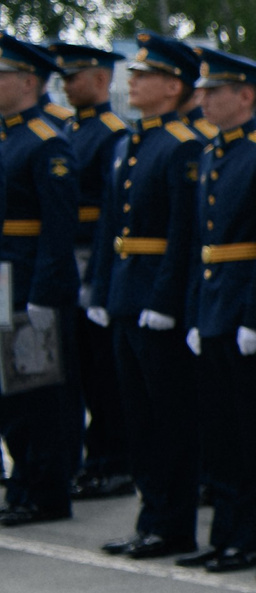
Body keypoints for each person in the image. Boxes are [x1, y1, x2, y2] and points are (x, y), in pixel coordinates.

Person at [87, 33, 203, 560]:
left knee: (168, 416)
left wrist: (164, 299)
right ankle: (150, 516)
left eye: (143, 75)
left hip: (157, 299)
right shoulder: (129, 144)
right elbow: (110, 226)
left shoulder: (183, 146)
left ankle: (172, 522)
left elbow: (183, 233)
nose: (130, 82)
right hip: (124, 293)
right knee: (136, 414)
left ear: (173, 86)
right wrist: (101, 287)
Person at [176, 50, 256, 574]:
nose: (200, 99)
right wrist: (197, 312)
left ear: (245, 96)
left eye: (212, 91)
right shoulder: (211, 152)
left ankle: (253, 537)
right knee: (218, 430)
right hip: (213, 302)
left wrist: (255, 316)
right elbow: (203, 240)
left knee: (251, 433)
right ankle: (224, 533)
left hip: (243, 302)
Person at [0, 35, 80, 525]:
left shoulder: (47, 141)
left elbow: (57, 228)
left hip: (30, 279)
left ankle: (47, 490)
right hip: (5, 276)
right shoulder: (8, 137)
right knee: (10, 392)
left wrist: (45, 294)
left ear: (28, 81)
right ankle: (23, 482)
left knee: (37, 392)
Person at [51, 41, 129, 500]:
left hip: (93, 257)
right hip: (69, 255)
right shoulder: (69, 128)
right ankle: (91, 457)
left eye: (74, 76)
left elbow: (110, 207)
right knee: (77, 364)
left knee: (102, 369)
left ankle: (113, 459)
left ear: (101, 79)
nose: (66, 83)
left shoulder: (112, 133)